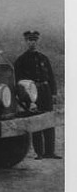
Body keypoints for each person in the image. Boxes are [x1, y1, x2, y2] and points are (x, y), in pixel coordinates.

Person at [14, 30, 61, 160]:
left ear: (37, 41)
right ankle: (39, 152)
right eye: (29, 40)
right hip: (31, 92)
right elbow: (18, 81)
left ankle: (50, 152)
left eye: (34, 40)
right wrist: (25, 98)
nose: (32, 43)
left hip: (45, 90)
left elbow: (51, 76)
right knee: (36, 121)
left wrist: (53, 93)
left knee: (49, 120)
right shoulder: (21, 60)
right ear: (26, 41)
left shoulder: (43, 58)